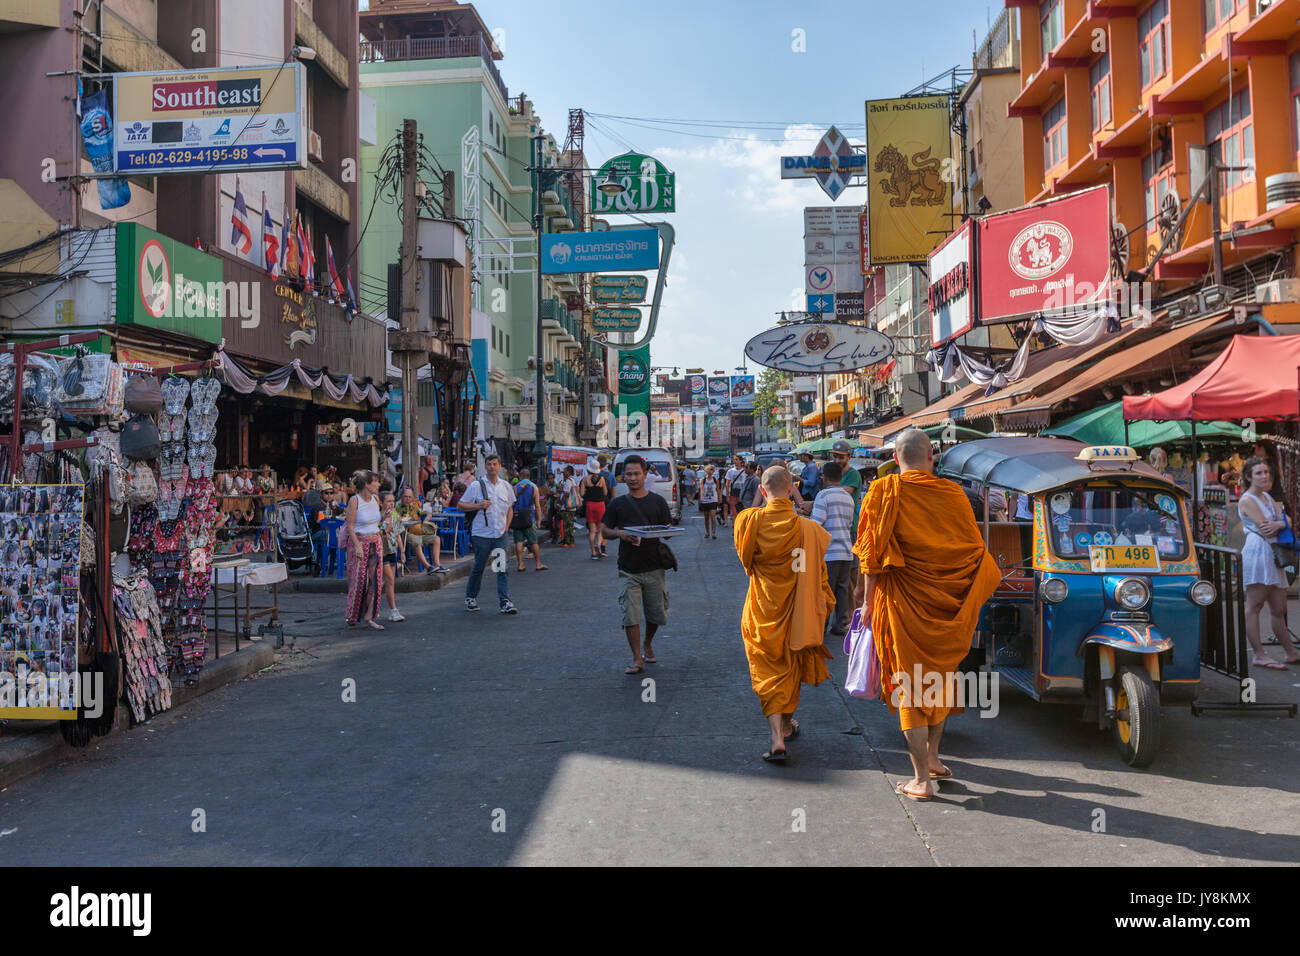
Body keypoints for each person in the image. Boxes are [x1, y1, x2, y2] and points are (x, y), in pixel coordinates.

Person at [854, 429, 1000, 801]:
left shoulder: (882, 492)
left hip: (903, 603)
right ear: (932, 455)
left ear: (896, 457)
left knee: (910, 685)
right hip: (948, 604)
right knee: (938, 679)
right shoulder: (952, 493)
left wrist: (867, 602)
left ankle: (921, 778)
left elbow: (871, 558)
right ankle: (933, 757)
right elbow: (974, 550)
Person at [734, 465, 836, 763]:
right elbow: (818, 576)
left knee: (767, 672)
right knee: (789, 670)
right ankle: (787, 726)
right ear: (792, 488)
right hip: (796, 612)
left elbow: (746, 560)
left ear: (762, 490)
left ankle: (779, 735)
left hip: (762, 608)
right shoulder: (809, 529)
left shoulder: (748, 521)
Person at [601, 455, 673, 675]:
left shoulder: (657, 502)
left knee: (656, 614)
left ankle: (647, 643)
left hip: (654, 567)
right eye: (628, 474)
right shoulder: (617, 504)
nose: (632, 478)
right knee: (630, 615)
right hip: (628, 569)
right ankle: (636, 658)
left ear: (644, 474)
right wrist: (620, 533)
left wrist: (666, 531)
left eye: (636, 474)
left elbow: (667, 529)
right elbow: (604, 530)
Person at [1237, 456, 1300, 669]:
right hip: (1259, 552)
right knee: (1254, 605)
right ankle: (1259, 654)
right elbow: (1265, 526)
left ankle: (1290, 652)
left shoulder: (1266, 496)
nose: (1264, 476)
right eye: (1259, 473)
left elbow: (1287, 520)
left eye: (1266, 472)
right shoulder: (1247, 500)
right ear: (1248, 476)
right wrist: (1281, 523)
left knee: (1278, 607)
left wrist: (1280, 523)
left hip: (1273, 552)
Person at [458, 454, 518, 614]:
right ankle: (471, 597)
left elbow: (510, 508)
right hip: (481, 535)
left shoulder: (505, 486)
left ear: (500, 467)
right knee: (479, 566)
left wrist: (506, 529)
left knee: (501, 568)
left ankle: (505, 601)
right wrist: (478, 505)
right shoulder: (476, 486)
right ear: (485, 466)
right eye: (489, 464)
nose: (492, 467)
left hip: (499, 535)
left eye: (495, 464)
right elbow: (460, 505)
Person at [810, 461, 856, 638]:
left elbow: (816, 524)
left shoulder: (823, 495)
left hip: (829, 552)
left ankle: (823, 624)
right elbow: (849, 524)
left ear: (825, 477)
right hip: (846, 551)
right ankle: (841, 623)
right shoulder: (847, 497)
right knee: (842, 589)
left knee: (825, 589)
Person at [344, 470, 386, 630]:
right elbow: (350, 525)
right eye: (375, 481)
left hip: (376, 540)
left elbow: (376, 518)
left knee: (376, 580)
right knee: (359, 581)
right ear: (367, 484)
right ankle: (352, 615)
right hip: (360, 541)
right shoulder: (355, 501)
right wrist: (356, 545)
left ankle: (370, 616)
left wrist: (385, 515)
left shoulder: (376, 499)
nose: (378, 484)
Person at [395, 486, 447, 574]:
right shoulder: (397, 508)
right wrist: (406, 518)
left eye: (410, 497)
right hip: (406, 534)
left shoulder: (415, 507)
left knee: (436, 539)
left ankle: (437, 564)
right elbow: (396, 520)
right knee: (417, 543)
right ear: (401, 497)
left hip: (419, 532)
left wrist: (426, 519)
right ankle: (428, 567)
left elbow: (428, 512)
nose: (408, 499)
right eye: (405, 496)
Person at [511, 469, 548, 572]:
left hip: (517, 517)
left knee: (519, 541)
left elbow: (512, 504)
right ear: (529, 476)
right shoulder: (534, 488)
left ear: (521, 477)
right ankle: (538, 564)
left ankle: (520, 564)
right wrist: (539, 520)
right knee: (533, 542)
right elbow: (537, 506)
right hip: (529, 518)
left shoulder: (515, 487)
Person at [378, 491, 405, 623]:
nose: (391, 503)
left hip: (392, 550)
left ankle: (376, 608)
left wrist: (403, 551)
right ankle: (393, 610)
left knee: (390, 582)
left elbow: (399, 534)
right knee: (388, 579)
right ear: (381, 502)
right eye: (388, 501)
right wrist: (383, 520)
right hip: (381, 551)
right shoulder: (377, 517)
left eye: (393, 501)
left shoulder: (395, 515)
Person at [579, 459, 609, 560]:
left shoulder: (585, 479)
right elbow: (605, 492)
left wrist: (589, 493)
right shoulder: (602, 479)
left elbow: (582, 494)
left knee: (592, 531)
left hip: (590, 505)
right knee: (600, 530)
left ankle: (593, 553)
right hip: (600, 505)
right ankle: (599, 546)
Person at [557, 465, 579, 548]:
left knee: (567, 525)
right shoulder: (572, 480)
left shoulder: (569, 481)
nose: (563, 473)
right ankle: (570, 541)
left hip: (567, 506)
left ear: (569, 472)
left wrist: (560, 504)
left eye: (565, 471)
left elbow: (566, 493)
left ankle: (567, 542)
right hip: (572, 506)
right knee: (570, 524)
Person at [698, 464, 721, 539]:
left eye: (712, 469)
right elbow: (702, 489)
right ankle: (707, 532)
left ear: (714, 471)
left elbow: (718, 490)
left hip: (713, 500)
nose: (710, 471)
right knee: (706, 518)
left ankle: (713, 533)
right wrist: (701, 497)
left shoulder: (715, 480)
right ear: (706, 470)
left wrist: (719, 498)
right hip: (705, 500)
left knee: (713, 516)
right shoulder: (702, 480)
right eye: (709, 469)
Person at [598, 455, 615, 557]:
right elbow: (613, 493)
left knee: (594, 529)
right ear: (606, 464)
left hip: (593, 504)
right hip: (607, 504)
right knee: (606, 526)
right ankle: (603, 548)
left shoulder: (591, 475)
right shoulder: (610, 476)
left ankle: (595, 547)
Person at [725, 454, 746, 525]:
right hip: (733, 493)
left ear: (740, 461)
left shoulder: (745, 471)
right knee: (734, 512)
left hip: (742, 493)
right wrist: (727, 495)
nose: (735, 461)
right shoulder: (730, 471)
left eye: (737, 459)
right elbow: (727, 484)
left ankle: (741, 527)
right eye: (734, 459)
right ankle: (734, 528)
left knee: (742, 512)